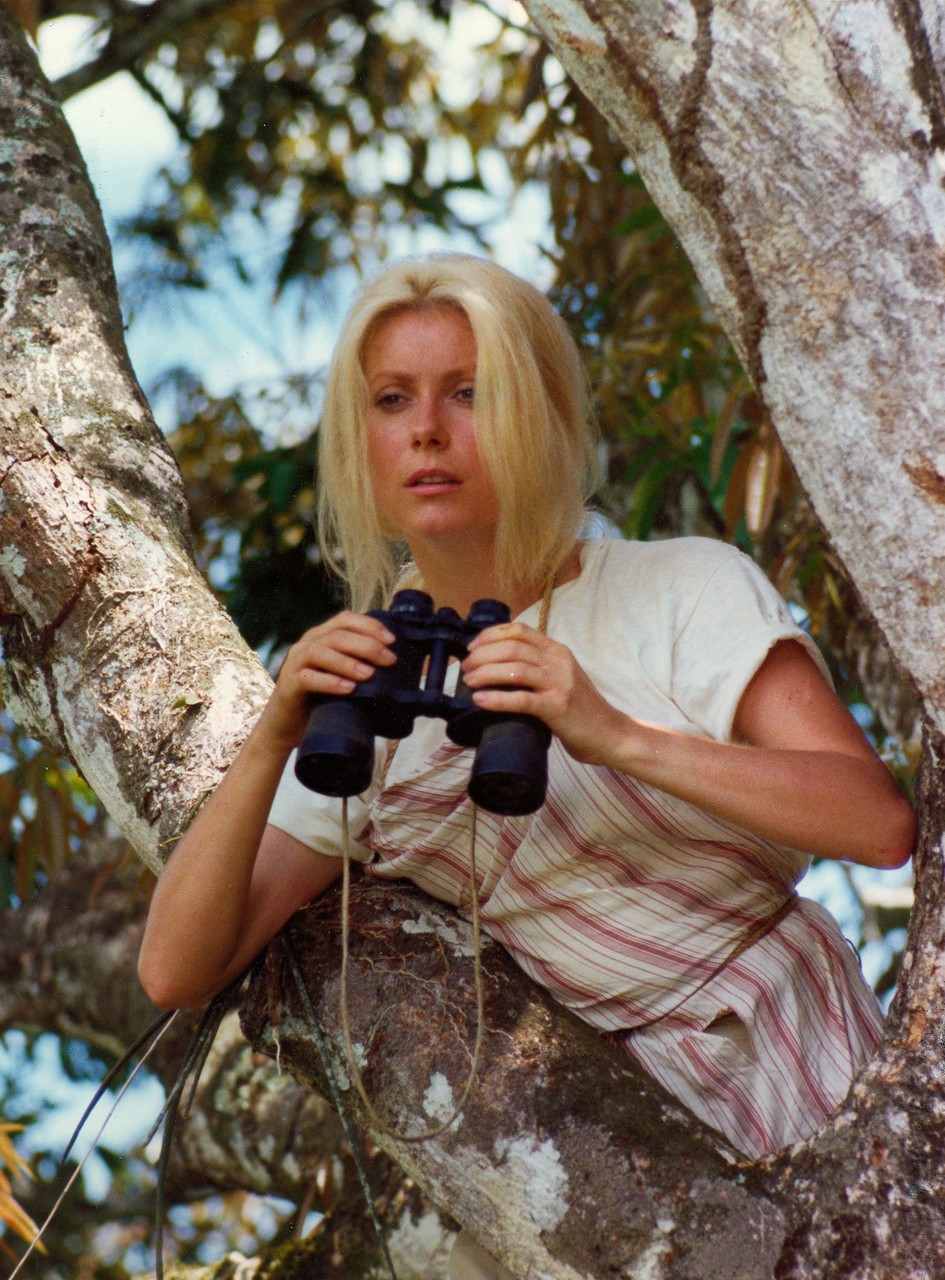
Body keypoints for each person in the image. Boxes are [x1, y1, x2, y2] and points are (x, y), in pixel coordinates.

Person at [138, 253, 915, 1279]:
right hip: (627, 1160)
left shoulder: (677, 585)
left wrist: (612, 733)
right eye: (391, 399)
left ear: (538, 413)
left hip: (801, 1061)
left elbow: (878, 823)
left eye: (471, 391)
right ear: (357, 439)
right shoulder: (373, 699)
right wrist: (276, 729)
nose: (428, 429)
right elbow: (177, 968)